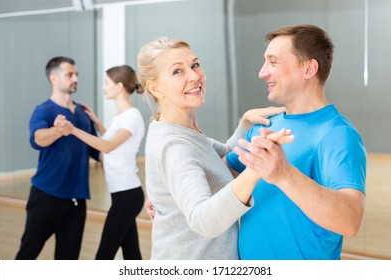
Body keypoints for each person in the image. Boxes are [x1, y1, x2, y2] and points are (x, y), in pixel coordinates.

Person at [137, 37, 294, 259]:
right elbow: (203, 220)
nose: (194, 76)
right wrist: (256, 170)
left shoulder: (185, 134)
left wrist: (245, 124)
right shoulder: (175, 146)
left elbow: (222, 159)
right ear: (155, 89)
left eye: (194, 65)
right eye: (177, 72)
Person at [226, 24, 367, 260]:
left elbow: (350, 221)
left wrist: (283, 175)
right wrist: (170, 197)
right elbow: (223, 174)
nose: (262, 72)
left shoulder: (338, 135)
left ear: (309, 68)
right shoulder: (265, 125)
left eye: (273, 62)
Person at [15, 56, 100, 260]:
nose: (75, 78)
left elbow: (97, 151)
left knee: (68, 260)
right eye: (69, 74)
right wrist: (57, 130)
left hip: (77, 201)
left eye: (77, 74)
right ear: (53, 78)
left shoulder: (83, 113)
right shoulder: (43, 110)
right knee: (27, 254)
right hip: (46, 197)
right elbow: (37, 139)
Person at [57, 65, 145, 260]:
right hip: (122, 194)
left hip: (128, 195)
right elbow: (114, 142)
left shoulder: (132, 116)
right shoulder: (122, 117)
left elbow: (107, 147)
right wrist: (96, 122)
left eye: (106, 83)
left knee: (104, 256)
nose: (103, 87)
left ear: (119, 86)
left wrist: (73, 130)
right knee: (131, 254)